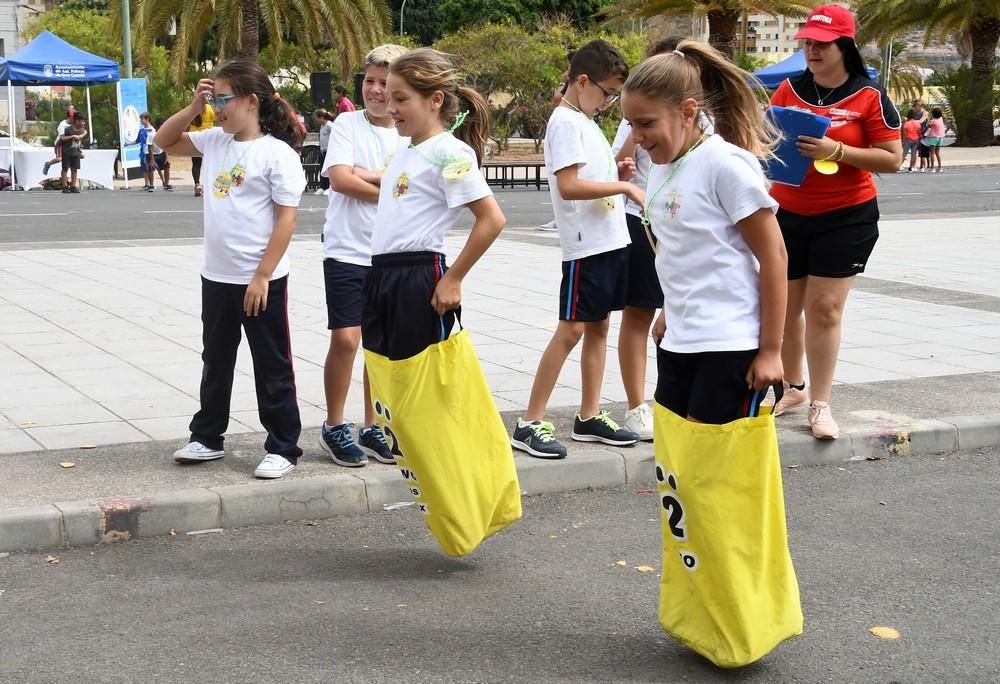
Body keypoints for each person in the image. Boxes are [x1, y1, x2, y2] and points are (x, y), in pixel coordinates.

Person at [620, 40, 787, 425]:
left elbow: (775, 256)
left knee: (714, 471)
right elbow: (682, 249)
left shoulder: (725, 165)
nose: (638, 136)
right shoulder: (664, 166)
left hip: (729, 343)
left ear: (687, 112)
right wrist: (668, 312)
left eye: (646, 123)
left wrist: (771, 351)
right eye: (631, 124)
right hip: (679, 339)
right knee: (678, 465)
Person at [157, 59, 307, 479]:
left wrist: (262, 275)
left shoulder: (277, 154)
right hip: (217, 276)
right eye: (214, 97)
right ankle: (207, 437)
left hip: (260, 279)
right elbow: (164, 141)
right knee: (216, 359)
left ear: (251, 101)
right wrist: (191, 107)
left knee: (271, 363)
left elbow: (287, 220)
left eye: (223, 99)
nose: (217, 107)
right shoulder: (215, 142)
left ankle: (282, 446)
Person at [768, 4, 902, 439]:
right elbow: (768, 139)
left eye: (821, 44)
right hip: (787, 212)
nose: (811, 50)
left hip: (846, 216)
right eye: (807, 42)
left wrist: (836, 152)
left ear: (844, 45)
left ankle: (821, 404)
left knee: (823, 309)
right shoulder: (788, 89)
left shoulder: (869, 96)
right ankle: (793, 388)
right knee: (785, 311)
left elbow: (893, 159)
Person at [511, 40, 642, 460]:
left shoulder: (583, 119)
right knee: (571, 329)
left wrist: (615, 172)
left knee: (599, 326)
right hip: (587, 247)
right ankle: (530, 420)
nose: (609, 101)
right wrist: (623, 185)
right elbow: (568, 186)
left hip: (608, 239)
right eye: (606, 92)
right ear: (582, 81)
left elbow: (587, 176)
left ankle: (589, 415)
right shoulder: (565, 122)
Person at [318, 44, 408, 468]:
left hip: (391, 254)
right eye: (369, 81)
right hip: (347, 251)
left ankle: (374, 425)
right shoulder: (347, 124)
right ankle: (335, 424)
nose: (375, 90)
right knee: (347, 338)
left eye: (384, 83)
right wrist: (392, 191)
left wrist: (371, 177)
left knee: (379, 345)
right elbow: (340, 179)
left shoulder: (410, 131)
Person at [608, 35, 686, 441]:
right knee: (638, 316)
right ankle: (637, 405)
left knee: (677, 313)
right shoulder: (634, 114)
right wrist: (631, 131)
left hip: (677, 225)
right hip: (640, 220)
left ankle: (674, 400)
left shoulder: (698, 120)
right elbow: (619, 161)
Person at [187, 102, 216, 197]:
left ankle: (197, 184)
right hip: (208, 138)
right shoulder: (209, 108)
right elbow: (214, 118)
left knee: (196, 164)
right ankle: (209, 186)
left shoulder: (192, 109)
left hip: (195, 139)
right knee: (210, 164)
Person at [42, 107, 75, 177]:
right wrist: (56, 147)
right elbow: (61, 139)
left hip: (68, 144)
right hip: (60, 143)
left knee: (69, 162)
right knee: (59, 159)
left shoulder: (73, 125)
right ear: (71, 117)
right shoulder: (62, 125)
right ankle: (48, 164)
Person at [59, 112, 87, 194]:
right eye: (82, 121)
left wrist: (81, 136)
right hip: (66, 151)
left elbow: (85, 132)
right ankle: (64, 186)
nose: (83, 123)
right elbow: (62, 139)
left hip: (76, 152)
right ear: (77, 121)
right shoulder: (68, 129)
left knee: (74, 169)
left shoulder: (82, 130)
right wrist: (72, 136)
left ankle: (73, 185)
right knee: (65, 168)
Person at [313, 109, 335, 195]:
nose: (316, 121)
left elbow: (335, 135)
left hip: (329, 150)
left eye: (316, 118)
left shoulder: (329, 125)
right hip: (323, 150)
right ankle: (323, 186)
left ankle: (330, 187)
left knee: (328, 169)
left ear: (321, 117)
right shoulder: (322, 126)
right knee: (322, 168)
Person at [152, 117, 173, 191]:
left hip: (162, 153)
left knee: (167, 166)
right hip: (153, 154)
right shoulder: (153, 134)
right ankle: (150, 184)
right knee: (154, 168)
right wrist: (151, 158)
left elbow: (165, 146)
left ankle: (166, 184)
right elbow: (149, 147)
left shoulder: (164, 134)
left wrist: (167, 158)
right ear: (158, 126)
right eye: (162, 125)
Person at [138, 112, 156, 192]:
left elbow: (153, 142)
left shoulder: (152, 130)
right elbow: (137, 140)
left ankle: (153, 184)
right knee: (144, 168)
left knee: (150, 168)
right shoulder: (141, 130)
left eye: (142, 119)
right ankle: (146, 184)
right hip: (142, 151)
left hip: (149, 152)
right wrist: (128, 144)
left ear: (147, 119)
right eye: (140, 119)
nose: (141, 121)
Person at [925, 107, 946, 172]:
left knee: (932, 153)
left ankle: (932, 168)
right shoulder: (941, 119)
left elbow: (927, 126)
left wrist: (922, 133)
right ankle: (940, 167)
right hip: (941, 137)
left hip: (933, 138)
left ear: (933, 114)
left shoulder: (932, 121)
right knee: (937, 153)